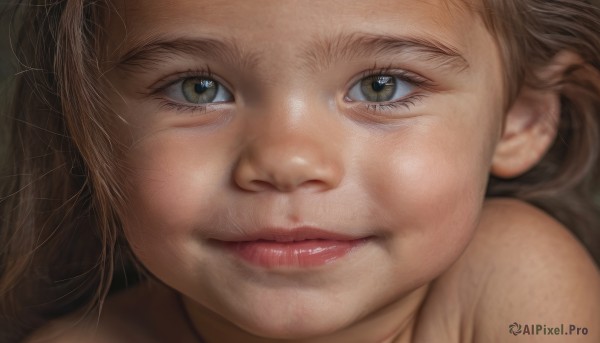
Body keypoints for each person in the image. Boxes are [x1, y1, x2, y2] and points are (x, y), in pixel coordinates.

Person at [1, 0, 599, 342]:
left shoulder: (516, 280)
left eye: (380, 85)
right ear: (89, 123)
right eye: (199, 88)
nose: (286, 162)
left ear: (521, 118)